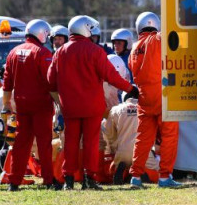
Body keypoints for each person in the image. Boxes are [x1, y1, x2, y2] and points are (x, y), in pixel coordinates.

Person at [47, 15, 136, 190]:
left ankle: (69, 180)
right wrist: (130, 89)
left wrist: (61, 98)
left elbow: (50, 80)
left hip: (69, 107)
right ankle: (90, 179)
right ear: (84, 29)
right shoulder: (95, 51)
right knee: (91, 143)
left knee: (70, 143)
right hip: (92, 106)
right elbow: (112, 76)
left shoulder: (60, 52)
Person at [2, 19, 59, 191]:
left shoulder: (13, 52)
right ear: (41, 33)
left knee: (20, 144)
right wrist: (59, 102)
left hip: (21, 105)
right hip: (41, 105)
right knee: (44, 144)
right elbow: (50, 82)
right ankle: (48, 180)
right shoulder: (42, 53)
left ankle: (14, 181)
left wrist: (6, 103)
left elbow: (7, 81)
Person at [129, 12, 181, 189]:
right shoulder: (158, 39)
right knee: (169, 136)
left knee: (143, 139)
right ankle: (165, 177)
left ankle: (135, 176)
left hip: (144, 99)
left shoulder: (134, 48)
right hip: (162, 95)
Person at [103, 91, 159, 184]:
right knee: (157, 174)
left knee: (112, 169)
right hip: (143, 153)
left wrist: (115, 147)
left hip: (122, 151)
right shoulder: (147, 109)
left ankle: (123, 172)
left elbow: (108, 132)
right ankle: (143, 173)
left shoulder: (116, 109)